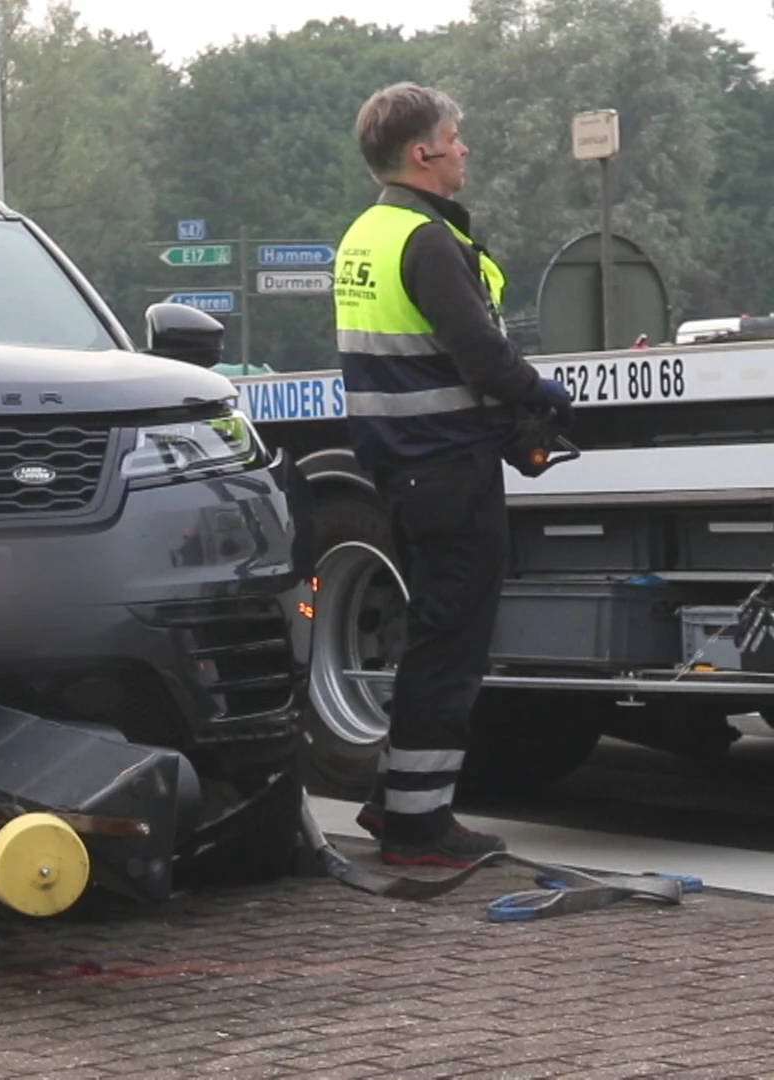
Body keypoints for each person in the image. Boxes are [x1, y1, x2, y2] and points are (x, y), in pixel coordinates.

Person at [334, 82, 574, 867]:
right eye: (455, 135)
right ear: (421, 152)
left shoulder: (364, 235)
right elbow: (480, 354)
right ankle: (418, 827)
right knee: (451, 644)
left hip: (402, 470)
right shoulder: (427, 240)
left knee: (431, 635)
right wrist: (542, 393)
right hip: (449, 468)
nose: (464, 147)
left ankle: (398, 805)